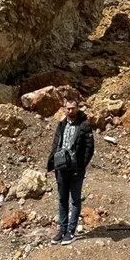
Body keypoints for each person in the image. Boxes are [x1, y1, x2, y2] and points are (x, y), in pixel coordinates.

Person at [46, 98, 94, 245]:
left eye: (73, 108)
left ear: (77, 108)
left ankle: (71, 232)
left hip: (76, 170)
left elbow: (89, 148)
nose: (70, 111)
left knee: (75, 200)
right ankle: (62, 229)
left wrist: (81, 165)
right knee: (62, 199)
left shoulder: (84, 126)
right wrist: (52, 162)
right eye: (68, 108)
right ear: (64, 108)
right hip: (61, 169)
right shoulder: (61, 125)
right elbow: (56, 144)